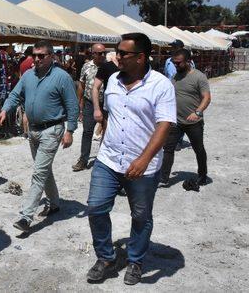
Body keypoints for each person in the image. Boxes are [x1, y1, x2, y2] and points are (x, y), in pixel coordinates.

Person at [85, 33, 175, 286]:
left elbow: (164, 124)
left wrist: (145, 159)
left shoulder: (160, 85)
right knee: (96, 208)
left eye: (123, 53)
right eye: (117, 51)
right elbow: (112, 116)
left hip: (142, 166)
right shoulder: (112, 80)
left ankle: (135, 260)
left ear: (141, 57)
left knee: (141, 216)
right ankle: (106, 257)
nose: (117, 57)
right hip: (109, 159)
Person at [0, 41, 78, 232]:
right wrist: (5, 110)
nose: (37, 59)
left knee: (38, 173)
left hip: (52, 129)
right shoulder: (28, 76)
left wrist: (70, 131)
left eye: (42, 56)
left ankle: (26, 216)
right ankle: (55, 203)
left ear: (52, 57)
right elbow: (15, 95)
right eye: (35, 55)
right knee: (44, 169)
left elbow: (72, 105)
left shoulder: (62, 77)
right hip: (32, 130)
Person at [160, 49, 211, 185]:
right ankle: (163, 178)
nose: (176, 65)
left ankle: (202, 176)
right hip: (176, 121)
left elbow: (206, 97)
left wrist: (198, 112)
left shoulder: (199, 76)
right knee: (168, 149)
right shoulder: (176, 77)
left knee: (198, 149)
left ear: (188, 61)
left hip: (194, 122)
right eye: (174, 63)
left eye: (178, 63)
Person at [72, 44, 106, 171]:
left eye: (104, 53)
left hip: (106, 103)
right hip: (90, 103)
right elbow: (82, 85)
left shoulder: (109, 66)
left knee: (107, 133)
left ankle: (105, 160)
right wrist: (79, 103)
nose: (102, 55)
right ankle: (83, 160)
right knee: (87, 132)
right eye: (99, 53)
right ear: (93, 54)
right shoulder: (86, 67)